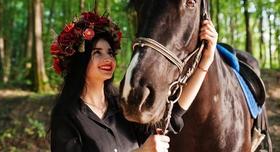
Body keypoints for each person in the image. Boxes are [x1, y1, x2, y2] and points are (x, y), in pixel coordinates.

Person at [50, 11, 217, 152]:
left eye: (110, 52)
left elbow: (172, 115)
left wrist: (205, 62)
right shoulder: (66, 115)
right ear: (81, 61)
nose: (108, 58)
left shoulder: (123, 105)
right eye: (97, 53)